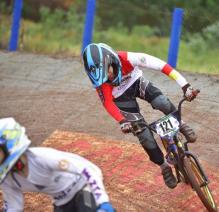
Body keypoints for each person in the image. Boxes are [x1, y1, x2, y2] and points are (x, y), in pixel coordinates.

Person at [81, 43, 199, 189]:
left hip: (137, 82)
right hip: (120, 98)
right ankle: (164, 167)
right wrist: (122, 121)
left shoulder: (127, 58)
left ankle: (180, 123)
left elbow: (161, 66)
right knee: (144, 135)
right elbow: (108, 104)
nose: (108, 78)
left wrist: (185, 86)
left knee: (162, 102)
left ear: (113, 61)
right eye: (103, 77)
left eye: (108, 72)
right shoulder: (101, 82)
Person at [0, 117, 114, 212]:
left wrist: (103, 202)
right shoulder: (6, 179)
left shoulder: (40, 157)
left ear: (9, 143)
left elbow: (86, 168)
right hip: (61, 201)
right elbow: (13, 207)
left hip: (82, 186)